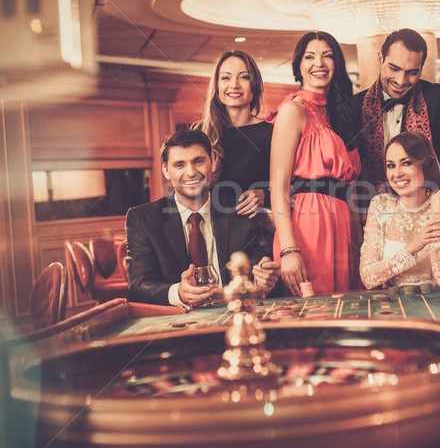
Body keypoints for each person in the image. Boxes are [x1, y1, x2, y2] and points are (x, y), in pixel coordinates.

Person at [351, 28, 440, 275]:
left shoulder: (439, 99)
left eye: (411, 72)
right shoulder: (355, 106)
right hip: (376, 229)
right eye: (394, 68)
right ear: (380, 59)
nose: (401, 80)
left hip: (431, 223)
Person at [125, 129, 280, 307]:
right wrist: (179, 293)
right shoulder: (142, 218)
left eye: (198, 161)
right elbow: (138, 286)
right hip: (177, 322)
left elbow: (257, 263)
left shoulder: (240, 209)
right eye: (179, 165)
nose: (191, 172)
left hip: (233, 313)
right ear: (166, 171)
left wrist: (261, 281)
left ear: (212, 162)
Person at [268, 31, 361, 296]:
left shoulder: (340, 112)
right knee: (316, 314)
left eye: (327, 56)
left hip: (343, 220)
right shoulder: (292, 110)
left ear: (337, 64)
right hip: (307, 225)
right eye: (310, 57)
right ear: (299, 66)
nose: (318, 63)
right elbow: (277, 188)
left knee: (346, 311)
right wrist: (289, 249)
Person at [360, 131, 440, 288]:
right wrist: (415, 245)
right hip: (394, 305)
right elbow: (368, 278)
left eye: (407, 163)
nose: (397, 174)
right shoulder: (380, 206)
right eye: (391, 166)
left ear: (426, 165)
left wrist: (438, 216)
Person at [192, 50, 272, 218]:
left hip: (251, 230)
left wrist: (265, 195)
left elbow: (291, 185)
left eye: (243, 77)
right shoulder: (200, 132)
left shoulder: (270, 133)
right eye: (226, 78)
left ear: (255, 84)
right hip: (207, 225)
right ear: (217, 85)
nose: (234, 85)